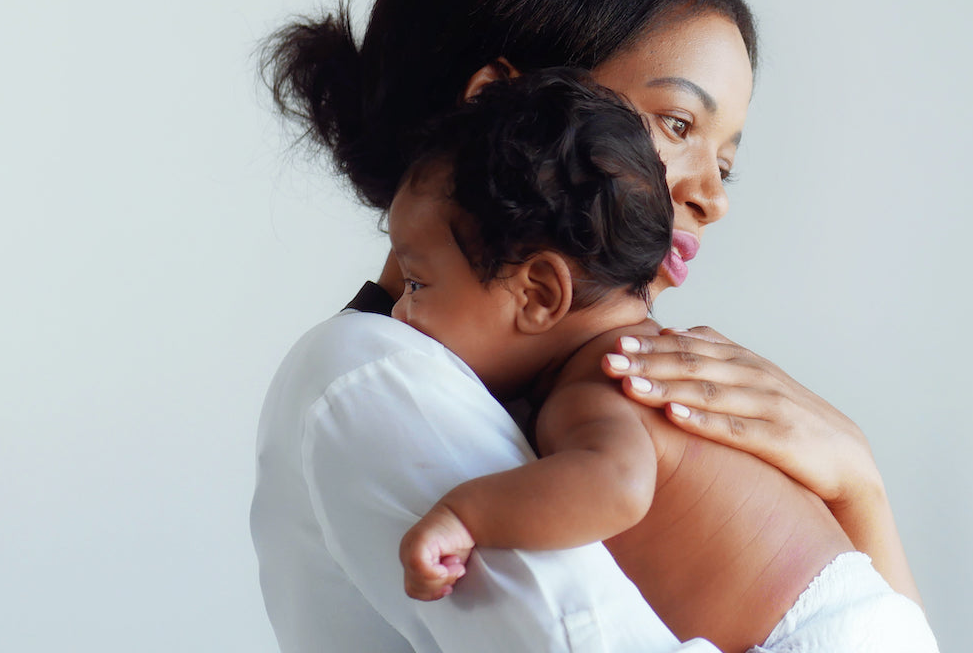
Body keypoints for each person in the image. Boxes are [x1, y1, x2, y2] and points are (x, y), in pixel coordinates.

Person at [250, 0, 920, 653]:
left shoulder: (562, 386)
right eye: (676, 125)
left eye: (726, 161)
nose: (712, 197)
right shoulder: (377, 374)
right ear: (501, 105)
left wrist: (860, 491)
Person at [383, 69, 938, 653]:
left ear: (541, 294)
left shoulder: (599, 384)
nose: (399, 313)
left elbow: (616, 486)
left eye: (417, 284)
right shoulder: (649, 353)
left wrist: (466, 515)